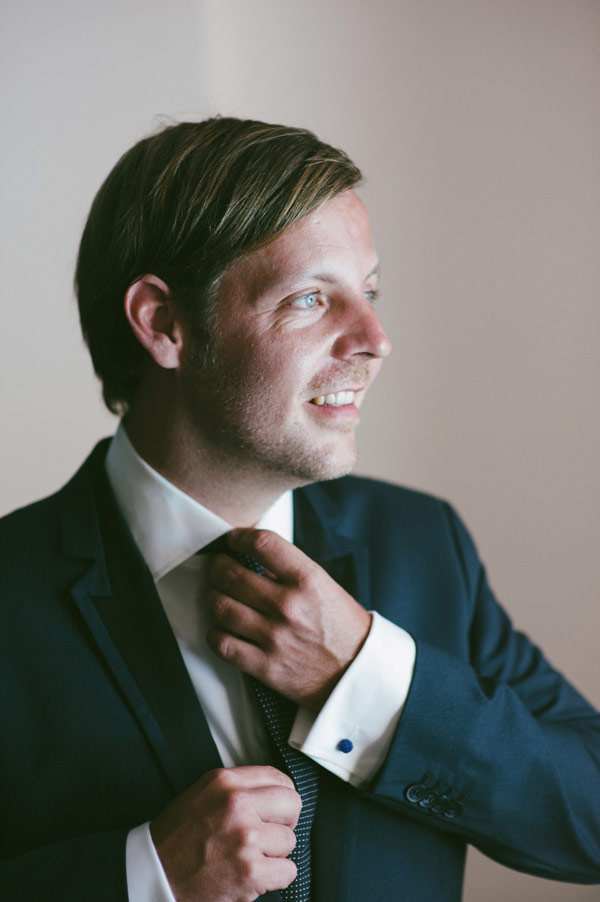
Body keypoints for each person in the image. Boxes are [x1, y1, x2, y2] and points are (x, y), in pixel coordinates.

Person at [1, 117, 598, 902]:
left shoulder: (424, 544)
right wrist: (145, 877)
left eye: (371, 293)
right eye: (312, 298)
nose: (376, 339)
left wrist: (368, 682)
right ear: (163, 323)